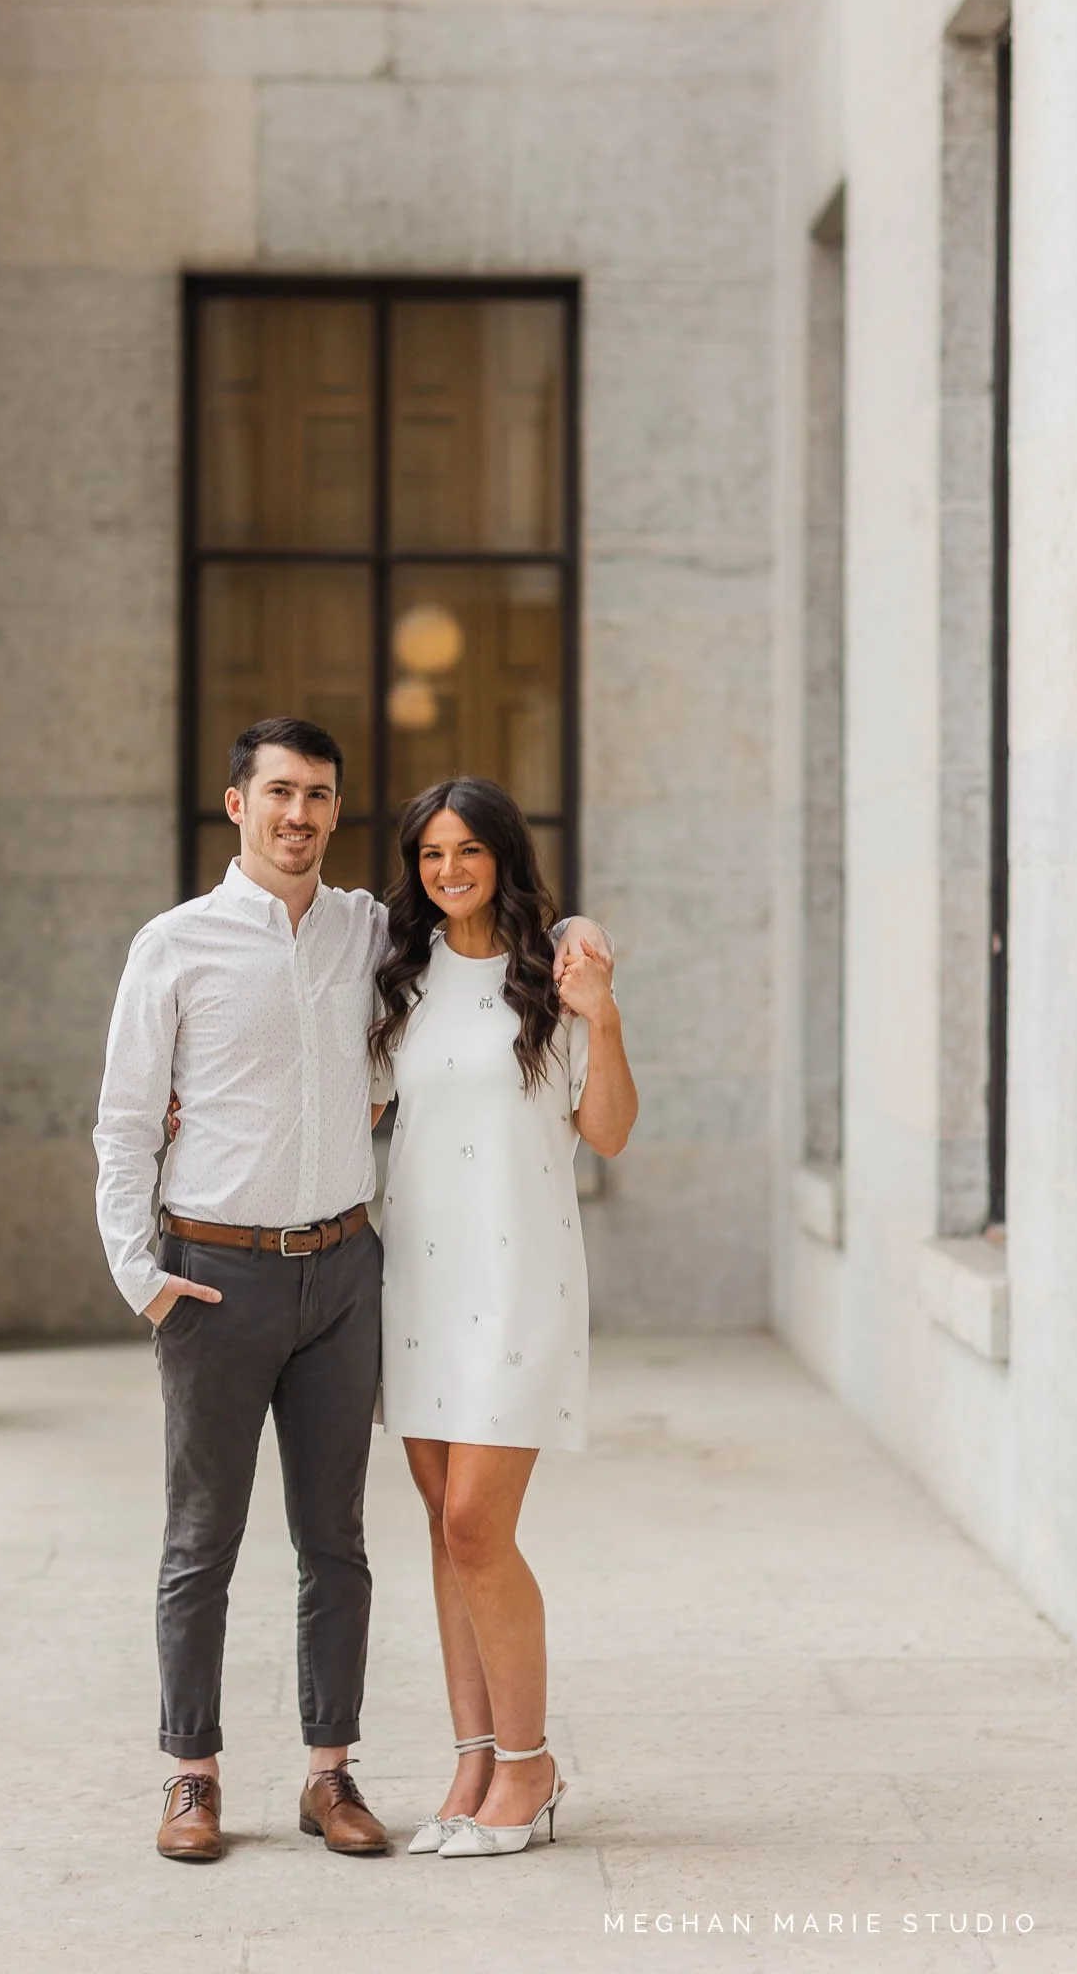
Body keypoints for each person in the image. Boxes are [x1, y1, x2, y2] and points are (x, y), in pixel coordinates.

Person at [92, 716, 610, 1863]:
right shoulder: (172, 944)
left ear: (334, 810)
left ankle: (332, 1771)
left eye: (320, 795)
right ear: (238, 803)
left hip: (344, 1272)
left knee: (338, 1539)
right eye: (278, 791)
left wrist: (579, 930)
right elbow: (126, 1120)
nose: (299, 813)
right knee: (201, 1536)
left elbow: (499, 912)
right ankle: (193, 1772)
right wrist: (144, 1273)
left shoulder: (373, 933)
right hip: (213, 1270)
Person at [368, 776, 637, 1859]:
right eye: (431, 854)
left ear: (502, 855)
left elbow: (608, 1130)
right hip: (419, 1278)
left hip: (520, 1279)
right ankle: (472, 1755)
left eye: (467, 850)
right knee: (443, 1527)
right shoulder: (396, 977)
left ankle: (529, 1764)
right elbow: (355, 1107)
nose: (448, 870)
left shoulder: (557, 974)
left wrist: (604, 1015)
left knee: (479, 1522)